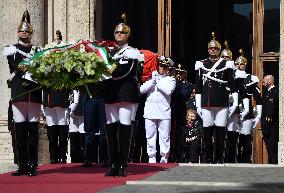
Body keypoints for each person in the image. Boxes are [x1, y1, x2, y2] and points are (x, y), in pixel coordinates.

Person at [104, 13, 144, 177]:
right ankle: (112, 163)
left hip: (126, 92)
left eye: (122, 33)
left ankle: (122, 164)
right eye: (116, 33)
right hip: (111, 92)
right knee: (110, 129)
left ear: (127, 35)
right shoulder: (107, 52)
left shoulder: (132, 53)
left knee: (125, 128)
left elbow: (127, 72)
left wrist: (108, 70)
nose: (118, 35)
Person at [3, 10, 42, 176]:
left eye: (27, 31)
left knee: (33, 130)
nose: (24, 33)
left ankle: (33, 164)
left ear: (31, 33)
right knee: (20, 131)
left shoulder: (38, 49)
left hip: (33, 93)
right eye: (22, 30)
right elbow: (14, 68)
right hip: (19, 91)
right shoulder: (12, 49)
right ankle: (22, 165)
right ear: (18, 32)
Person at [195, 32, 238, 163]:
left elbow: (232, 84)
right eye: (210, 48)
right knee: (207, 132)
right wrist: (198, 105)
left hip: (221, 101)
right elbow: (198, 86)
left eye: (215, 48)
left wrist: (234, 103)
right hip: (207, 102)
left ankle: (219, 158)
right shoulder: (201, 64)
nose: (213, 50)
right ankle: (207, 158)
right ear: (208, 50)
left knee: (220, 132)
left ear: (219, 50)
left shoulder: (226, 64)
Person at [140, 56, 176, 164]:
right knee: (150, 136)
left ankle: (164, 158)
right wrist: (152, 81)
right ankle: (151, 158)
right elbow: (141, 90)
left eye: (165, 67)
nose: (162, 69)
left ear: (168, 68)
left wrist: (157, 82)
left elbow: (168, 91)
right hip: (150, 111)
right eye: (161, 66)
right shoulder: (151, 78)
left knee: (164, 136)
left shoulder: (171, 79)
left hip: (163, 112)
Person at [43, 30, 70, 164]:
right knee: (51, 128)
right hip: (49, 97)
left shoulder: (66, 65)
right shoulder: (45, 65)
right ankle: (53, 156)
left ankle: (62, 155)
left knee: (62, 127)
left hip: (61, 96)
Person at [234, 49, 262, 163]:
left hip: (246, 111)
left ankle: (245, 161)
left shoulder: (251, 78)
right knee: (232, 138)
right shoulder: (230, 77)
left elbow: (258, 99)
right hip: (232, 110)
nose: (239, 66)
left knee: (245, 138)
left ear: (245, 65)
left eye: (241, 64)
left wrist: (259, 115)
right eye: (237, 64)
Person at [171, 64, 193, 162]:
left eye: (181, 73)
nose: (179, 75)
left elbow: (183, 96)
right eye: (177, 72)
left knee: (179, 138)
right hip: (170, 113)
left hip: (180, 114)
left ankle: (178, 157)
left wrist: (178, 83)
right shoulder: (170, 82)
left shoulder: (188, 85)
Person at [262, 75, 278, 164]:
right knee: (269, 146)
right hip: (267, 124)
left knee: (272, 146)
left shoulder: (273, 92)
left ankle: (273, 163)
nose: (263, 83)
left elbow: (270, 110)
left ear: (269, 82)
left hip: (270, 124)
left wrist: (266, 124)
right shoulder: (267, 92)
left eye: (264, 82)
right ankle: (271, 162)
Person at [69, 90, 85, 163]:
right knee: (73, 129)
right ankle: (75, 159)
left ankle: (83, 158)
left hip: (79, 105)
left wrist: (72, 108)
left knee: (82, 129)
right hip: (72, 105)